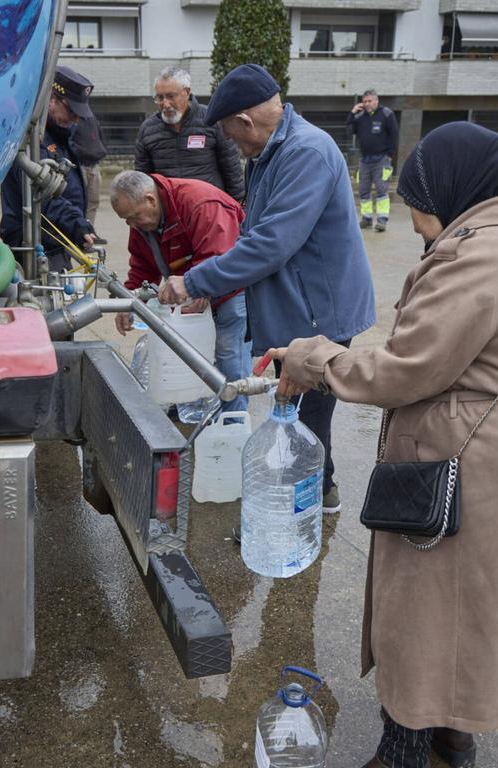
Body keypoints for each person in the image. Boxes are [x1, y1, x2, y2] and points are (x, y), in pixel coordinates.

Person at [263, 121, 498, 768]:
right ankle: (456, 728)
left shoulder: (478, 258)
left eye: (415, 197)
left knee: (424, 607)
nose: (410, 214)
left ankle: (404, 760)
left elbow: (406, 369)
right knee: (483, 601)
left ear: (450, 189)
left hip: (465, 455)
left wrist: (314, 357)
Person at [157, 64, 376, 513]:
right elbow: (252, 232)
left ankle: (308, 505)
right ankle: (315, 491)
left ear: (245, 122)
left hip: (319, 313)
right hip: (299, 307)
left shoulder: (306, 153)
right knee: (297, 409)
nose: (235, 145)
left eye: (233, 136)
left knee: (305, 415)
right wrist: (212, 284)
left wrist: (195, 279)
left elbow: (271, 243)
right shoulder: (272, 153)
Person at [109, 170, 250, 412]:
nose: (132, 225)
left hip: (229, 291)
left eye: (133, 217)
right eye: (126, 221)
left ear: (150, 199)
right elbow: (142, 267)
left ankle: (233, 422)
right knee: (190, 354)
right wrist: (128, 300)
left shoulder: (201, 203)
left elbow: (221, 256)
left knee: (229, 357)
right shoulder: (143, 219)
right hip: (191, 291)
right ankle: (194, 407)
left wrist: (198, 287)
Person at [0, 66, 96, 272]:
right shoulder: (31, 141)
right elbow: (41, 194)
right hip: (34, 249)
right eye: (71, 110)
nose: (76, 119)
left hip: (55, 246)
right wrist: (76, 224)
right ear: (50, 98)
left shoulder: (58, 136)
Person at [134, 67, 245, 202]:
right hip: (171, 214)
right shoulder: (148, 129)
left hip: (210, 209)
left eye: (170, 96)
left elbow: (231, 168)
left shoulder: (212, 120)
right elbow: (143, 179)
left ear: (186, 92)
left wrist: (237, 207)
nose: (165, 104)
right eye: (160, 98)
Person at [346, 90, 398, 232]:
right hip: (365, 160)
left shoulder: (387, 114)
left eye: (369, 101)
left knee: (382, 190)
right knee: (363, 190)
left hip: (381, 159)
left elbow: (394, 135)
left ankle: (382, 220)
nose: (367, 104)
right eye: (365, 101)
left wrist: (390, 155)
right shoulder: (360, 116)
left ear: (376, 101)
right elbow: (350, 130)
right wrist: (352, 113)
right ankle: (367, 218)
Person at [71, 112, 108, 243]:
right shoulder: (72, 118)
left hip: (94, 165)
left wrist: (101, 150)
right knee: (78, 201)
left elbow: (100, 136)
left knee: (93, 202)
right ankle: (79, 231)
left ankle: (90, 231)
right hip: (79, 165)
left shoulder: (91, 118)